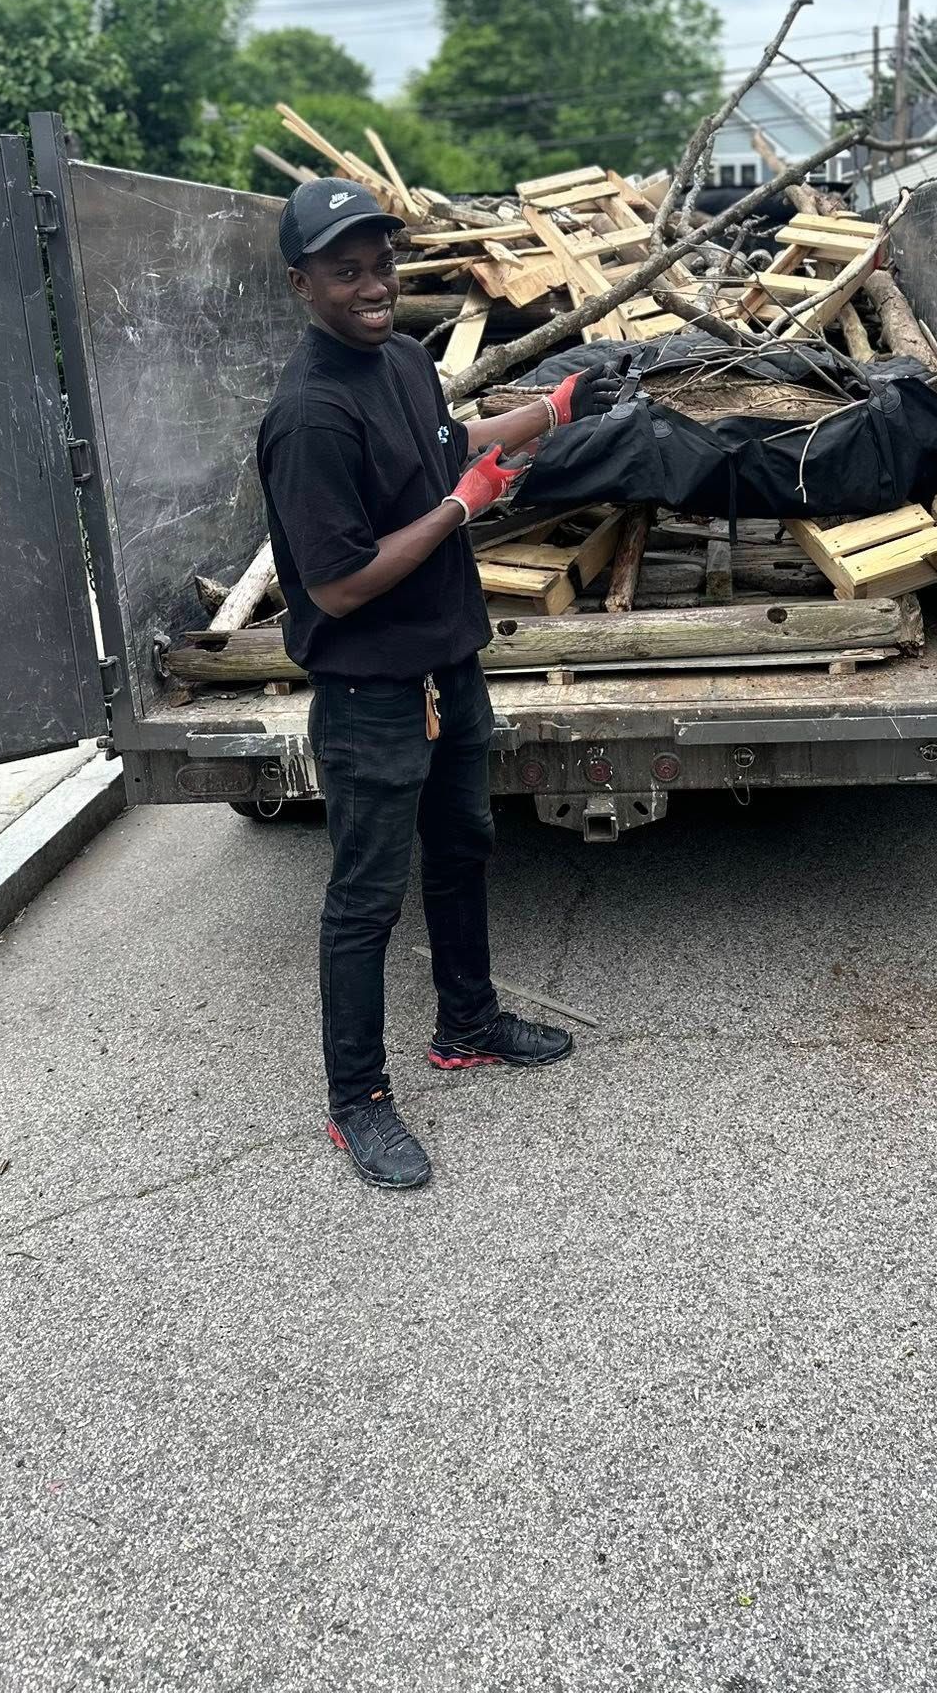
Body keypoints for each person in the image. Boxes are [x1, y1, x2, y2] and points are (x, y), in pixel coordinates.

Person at [257, 177, 615, 1192]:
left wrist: (548, 411)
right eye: (346, 270)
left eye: (382, 264)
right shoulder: (310, 416)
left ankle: (467, 1022)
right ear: (303, 284)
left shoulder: (405, 361)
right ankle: (357, 1100)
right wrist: (464, 508)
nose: (374, 285)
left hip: (448, 666)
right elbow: (338, 582)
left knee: (463, 847)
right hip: (370, 693)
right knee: (365, 900)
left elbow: (450, 447)